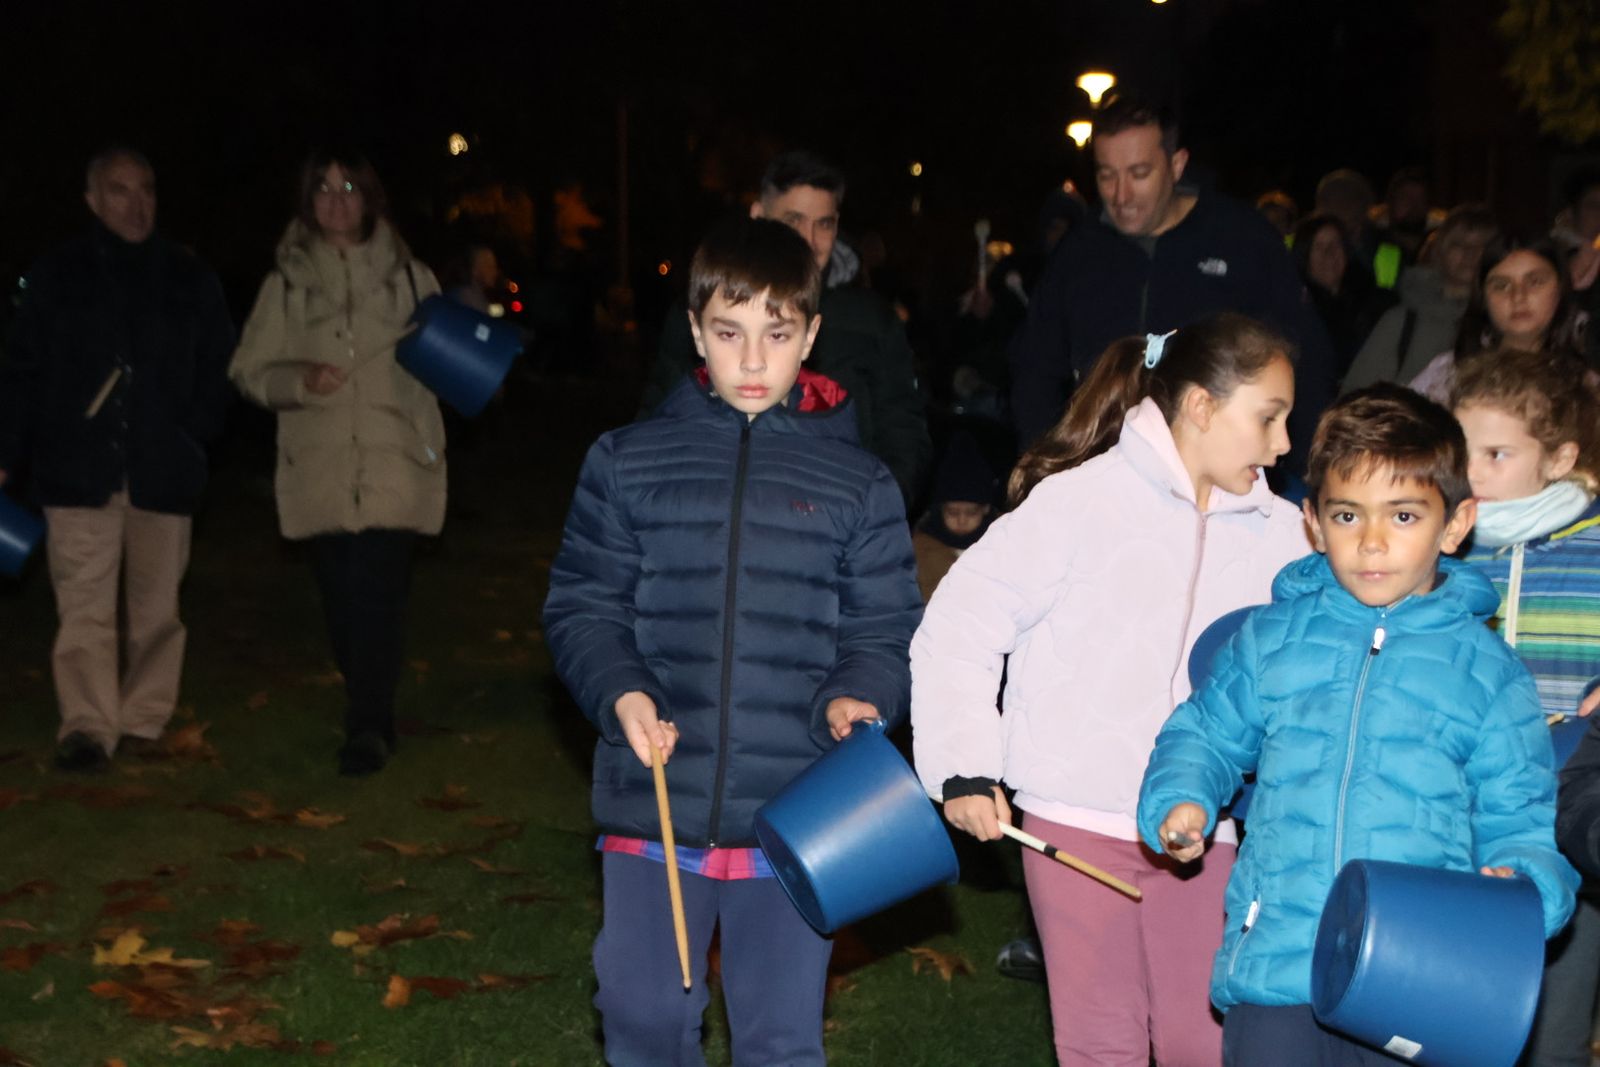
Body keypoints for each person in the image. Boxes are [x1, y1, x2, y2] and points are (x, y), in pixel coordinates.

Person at [544, 216, 922, 1066]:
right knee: (641, 1011)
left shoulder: (857, 484)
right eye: (729, 333)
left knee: (779, 1036)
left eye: (777, 336)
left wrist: (860, 694)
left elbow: (884, 626)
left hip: (795, 808)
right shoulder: (627, 462)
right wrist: (621, 691)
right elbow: (583, 604)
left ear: (811, 337)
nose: (753, 362)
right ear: (694, 332)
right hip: (658, 796)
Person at [1138, 384, 1579, 1066]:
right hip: (1280, 961)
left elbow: (1521, 817)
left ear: (1456, 524)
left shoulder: (1489, 674)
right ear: (1313, 522)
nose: (1372, 542)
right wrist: (1182, 796)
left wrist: (1524, 885)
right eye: (1348, 515)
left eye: (1403, 516)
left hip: (1419, 972)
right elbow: (1203, 732)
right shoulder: (1273, 639)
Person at [914, 313, 1311, 1066]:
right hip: (1073, 821)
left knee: (1204, 1042)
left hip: (1202, 828)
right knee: (1101, 1043)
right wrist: (964, 763)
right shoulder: (1076, 504)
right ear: (1199, 406)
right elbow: (960, 623)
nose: (1285, 442)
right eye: (1269, 416)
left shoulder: (1286, 536)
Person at [0, 147, 235, 772]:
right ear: (93, 199)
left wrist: (194, 436)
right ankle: (86, 725)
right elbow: (22, 371)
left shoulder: (189, 278)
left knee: (157, 609)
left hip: (164, 469)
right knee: (83, 607)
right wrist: (8, 453)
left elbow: (219, 368)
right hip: (77, 470)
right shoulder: (57, 276)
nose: (137, 203)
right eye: (120, 190)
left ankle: (144, 716)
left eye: (146, 189)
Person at [230, 149, 445, 776]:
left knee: (378, 596)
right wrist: (298, 380)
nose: (336, 199)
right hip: (320, 466)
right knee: (343, 600)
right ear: (307, 201)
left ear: (369, 198)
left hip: (395, 462)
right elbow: (247, 370)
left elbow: (449, 361)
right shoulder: (286, 285)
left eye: (348, 186)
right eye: (323, 188)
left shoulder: (411, 278)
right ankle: (367, 696)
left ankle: (369, 725)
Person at [1008, 95, 1337, 482]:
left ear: (1177, 165)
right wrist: (1049, 470)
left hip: (1222, 484)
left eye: (1139, 173)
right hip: (1103, 480)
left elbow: (1307, 359)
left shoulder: (1242, 239)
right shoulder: (1079, 253)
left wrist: (1297, 476)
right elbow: (1034, 370)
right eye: (1107, 175)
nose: (1121, 195)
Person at [1452, 350, 1600, 1067]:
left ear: (1560, 456)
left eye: (1497, 453)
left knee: (1554, 1032)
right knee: (1453, 1017)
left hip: (1573, 816)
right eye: (1462, 450)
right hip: (1463, 811)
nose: (1472, 472)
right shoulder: (1440, 552)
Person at [638, 151, 932, 510]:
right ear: (759, 216)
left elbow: (904, 433)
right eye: (794, 220)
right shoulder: (707, 311)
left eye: (824, 224)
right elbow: (660, 419)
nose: (810, 239)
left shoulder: (872, 320)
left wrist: (871, 511)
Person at [1410, 235, 1587, 403]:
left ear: (1560, 289)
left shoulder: (1586, 383)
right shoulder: (1446, 375)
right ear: (1484, 298)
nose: (1518, 297)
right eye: (1501, 286)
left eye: (1535, 282)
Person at [1341, 204, 1498, 392]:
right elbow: (1356, 396)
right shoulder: (1403, 320)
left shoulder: (1503, 326)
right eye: (1458, 244)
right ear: (1440, 251)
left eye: (1481, 245)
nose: (1470, 253)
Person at [1289, 214, 1392, 380]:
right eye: (1319, 246)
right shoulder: (1296, 309)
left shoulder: (1373, 302)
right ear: (1305, 255)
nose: (1329, 253)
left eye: (1335, 244)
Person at [912, 432, 998, 602]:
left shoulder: (1003, 544)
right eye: (953, 512)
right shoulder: (920, 549)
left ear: (986, 509)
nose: (962, 520)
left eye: (971, 512)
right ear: (940, 509)